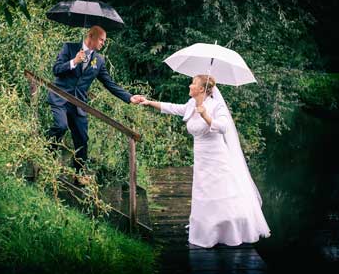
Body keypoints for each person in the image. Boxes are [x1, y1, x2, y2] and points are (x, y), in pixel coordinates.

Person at [140, 74, 270, 248]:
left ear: (201, 88)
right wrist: (149, 102)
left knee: (221, 194)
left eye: (193, 83)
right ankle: (207, 232)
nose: (189, 86)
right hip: (201, 158)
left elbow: (223, 127)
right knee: (203, 194)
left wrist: (206, 116)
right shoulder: (191, 104)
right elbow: (173, 107)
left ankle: (229, 232)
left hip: (217, 157)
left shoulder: (216, 106)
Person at [47, 25, 145, 178]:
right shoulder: (69, 48)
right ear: (91, 36)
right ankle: (47, 157)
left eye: (104, 41)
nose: (103, 43)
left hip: (79, 104)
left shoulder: (98, 61)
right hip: (61, 98)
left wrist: (129, 97)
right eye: (101, 40)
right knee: (60, 126)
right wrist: (74, 61)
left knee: (82, 140)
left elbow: (109, 83)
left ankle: (78, 174)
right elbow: (56, 69)